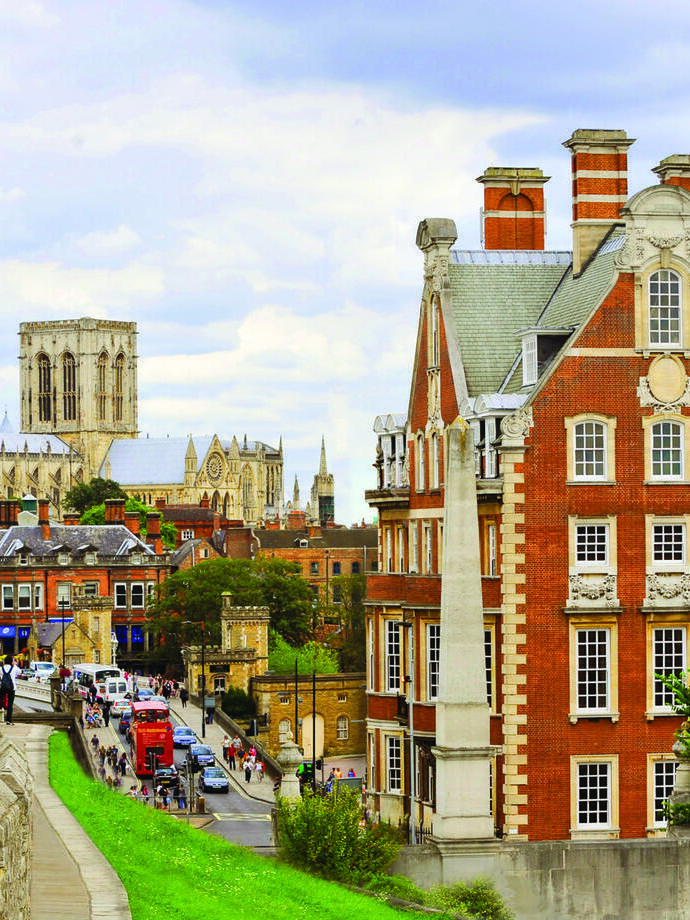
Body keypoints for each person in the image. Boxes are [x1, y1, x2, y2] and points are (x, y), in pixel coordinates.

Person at [0, 655, 19, 725]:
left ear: (4, 661)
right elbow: (19, 672)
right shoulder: (14, 668)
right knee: (10, 704)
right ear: (11, 661)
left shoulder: (1, 669)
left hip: (3, 687)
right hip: (12, 687)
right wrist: (14, 665)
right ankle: (8, 720)